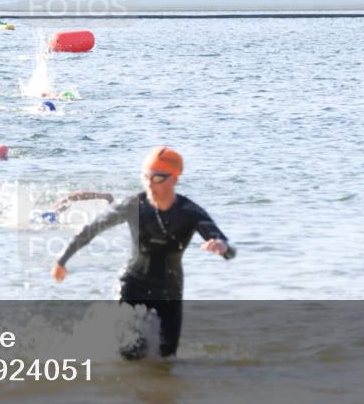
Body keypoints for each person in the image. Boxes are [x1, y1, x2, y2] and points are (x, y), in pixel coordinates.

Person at [51, 147, 235, 359]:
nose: (149, 183)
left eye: (158, 177)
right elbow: (92, 228)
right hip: (132, 286)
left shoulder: (189, 212)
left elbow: (227, 247)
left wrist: (222, 247)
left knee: (166, 360)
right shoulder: (132, 205)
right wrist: (62, 260)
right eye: (146, 176)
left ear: (175, 178)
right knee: (129, 354)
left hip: (169, 293)